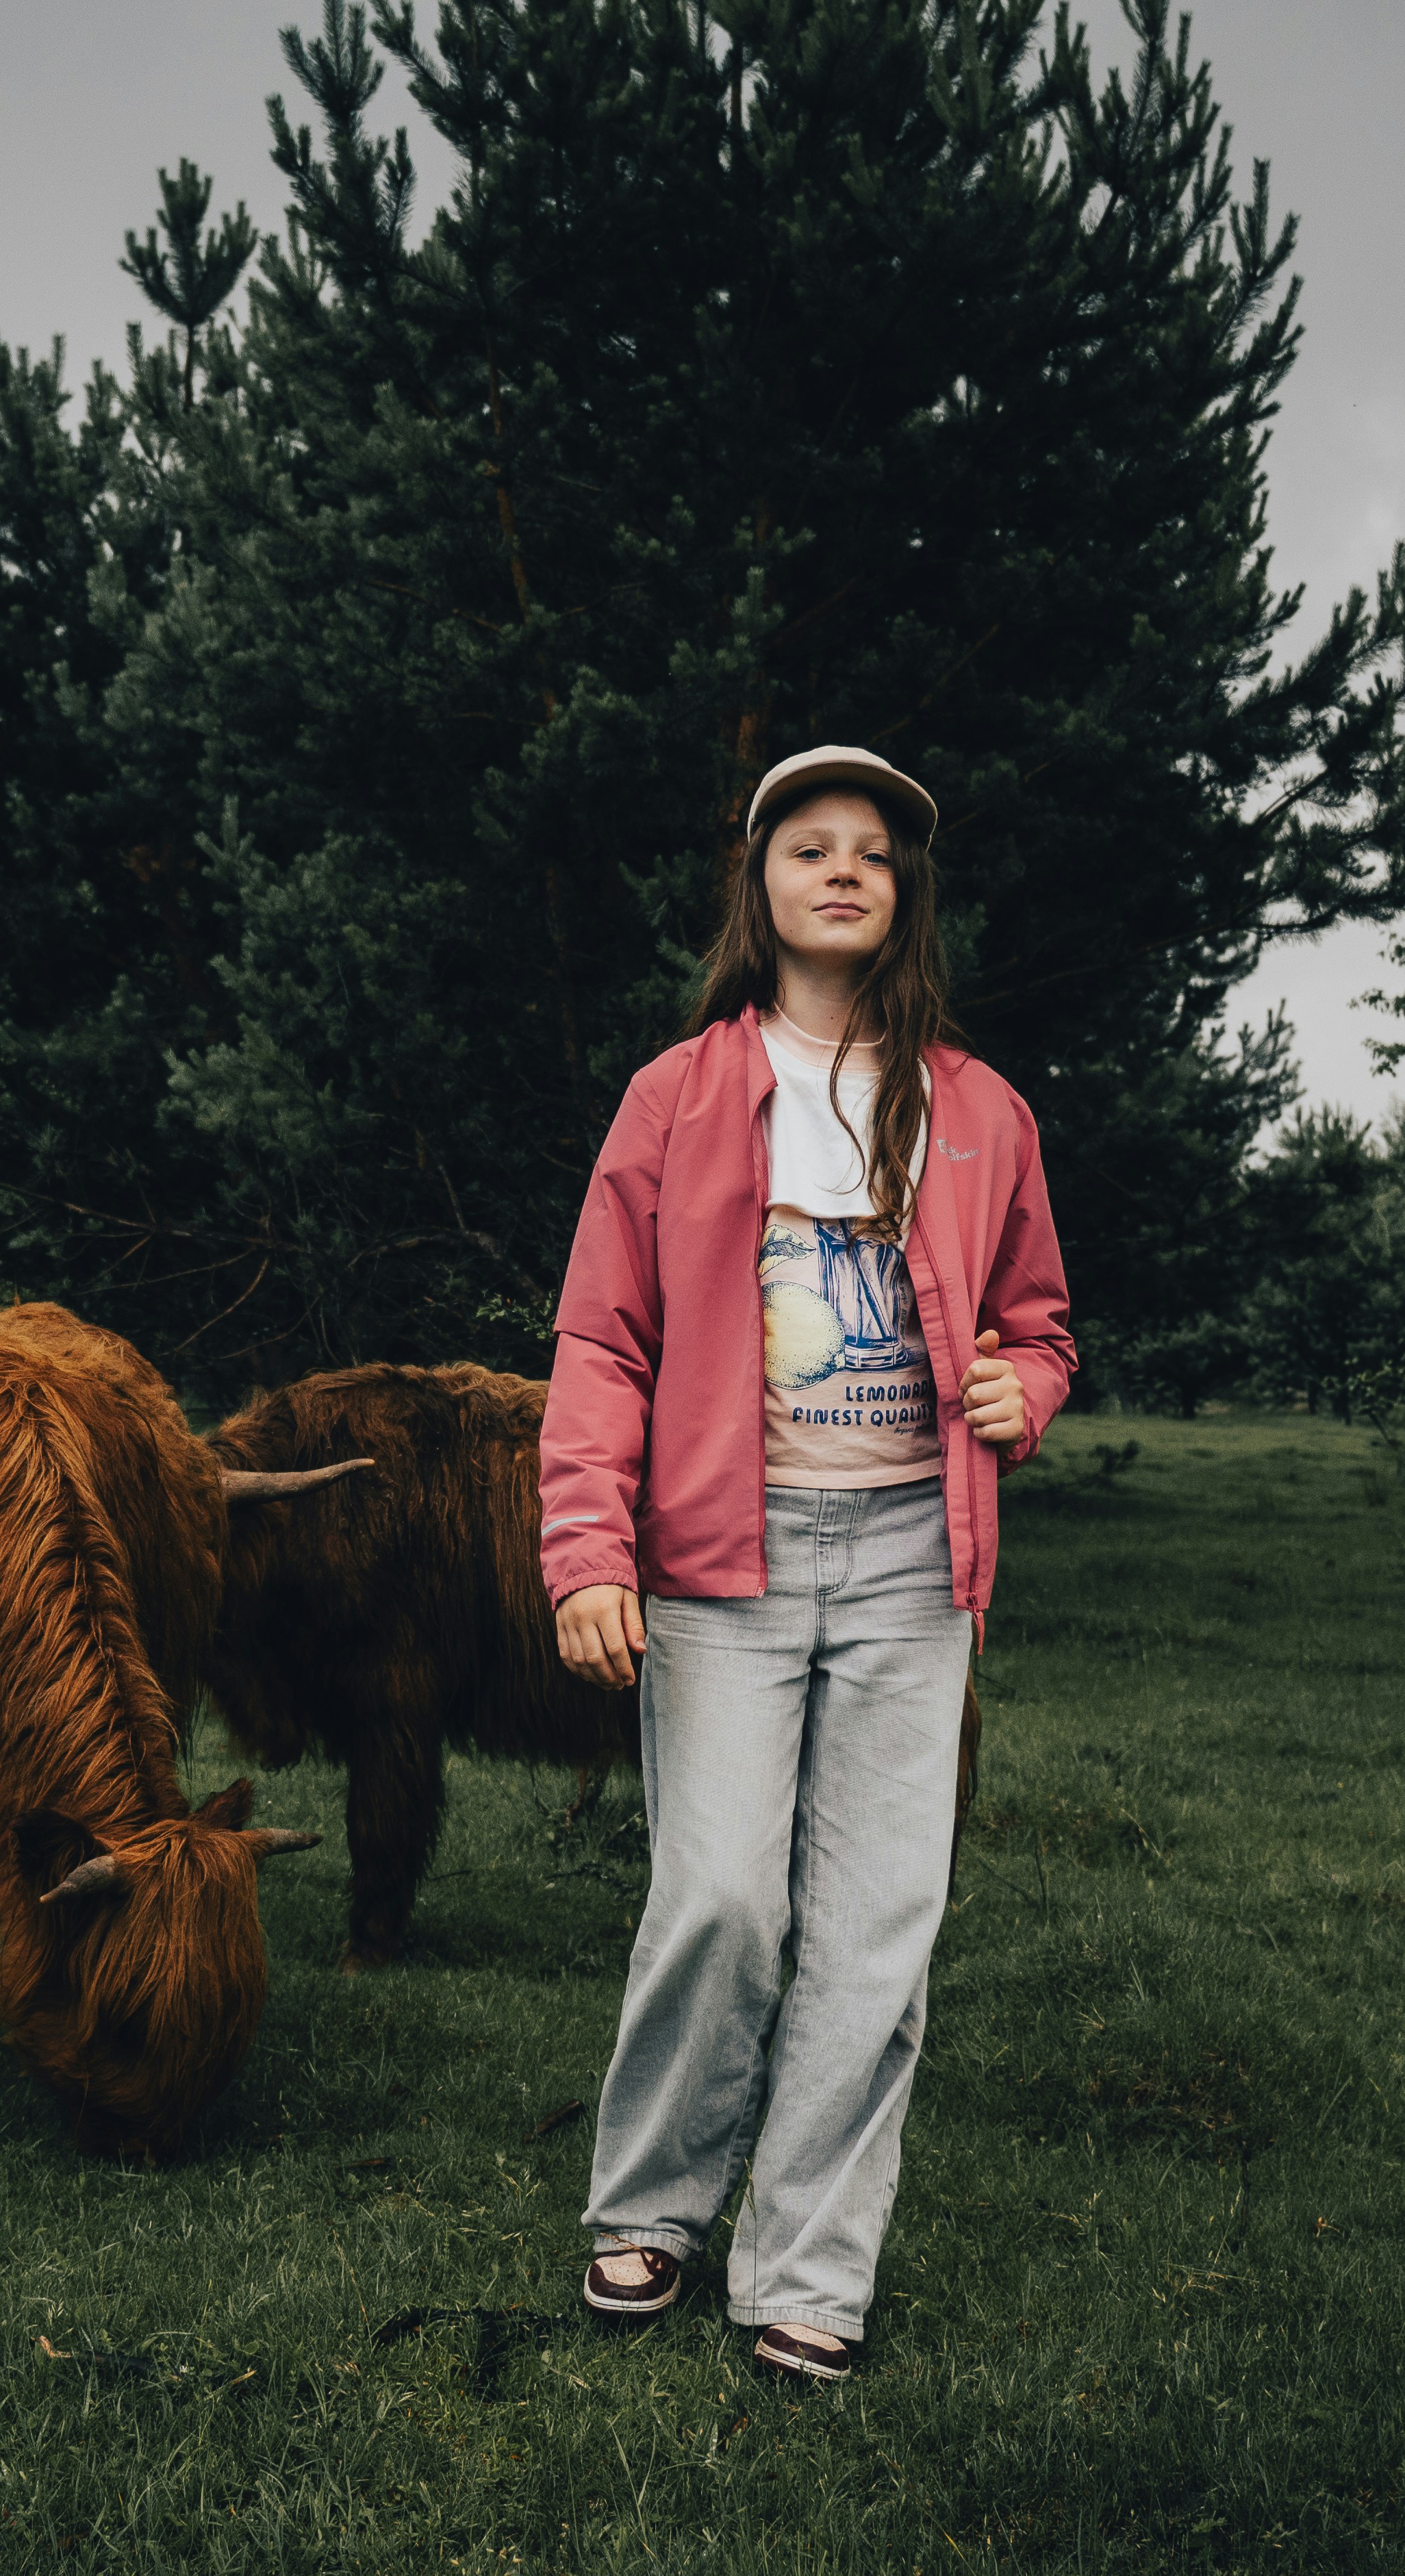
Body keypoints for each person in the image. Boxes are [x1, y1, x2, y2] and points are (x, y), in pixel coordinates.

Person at [540, 742, 1076, 2384]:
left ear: (902, 896)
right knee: (717, 1901)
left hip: (916, 1563)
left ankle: (809, 2272)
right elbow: (602, 1338)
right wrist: (584, 1547)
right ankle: (651, 2202)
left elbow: (1039, 1322)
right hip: (723, 1561)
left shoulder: (980, 1111)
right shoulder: (678, 1096)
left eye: (874, 853)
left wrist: (1023, 1389)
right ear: (759, 888)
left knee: (876, 1927)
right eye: (808, 847)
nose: (843, 870)